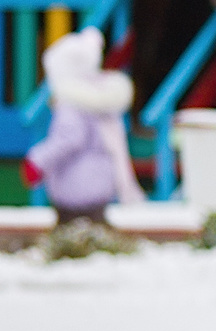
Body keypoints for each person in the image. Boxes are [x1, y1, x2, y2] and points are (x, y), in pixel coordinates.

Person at [23, 28, 142, 230]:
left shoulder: (71, 105)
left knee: (70, 230)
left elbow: (68, 139)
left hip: (74, 185)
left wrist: (38, 161)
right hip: (100, 183)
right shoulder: (100, 98)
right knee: (95, 227)